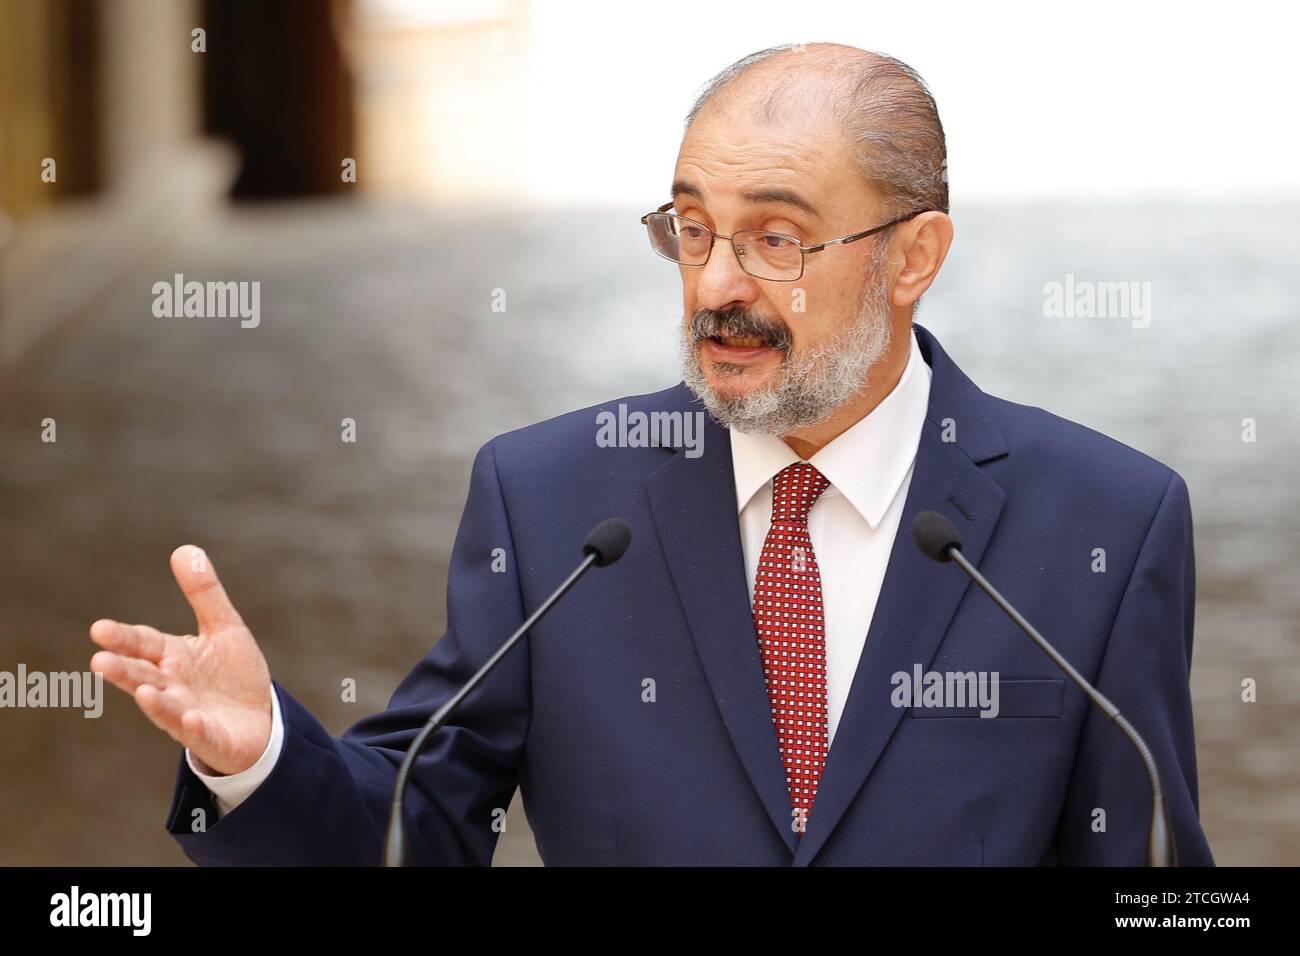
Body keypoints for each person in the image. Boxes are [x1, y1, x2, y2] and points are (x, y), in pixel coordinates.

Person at [88, 43, 1214, 865]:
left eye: (775, 237)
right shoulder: (552, 505)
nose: (717, 283)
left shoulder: (1104, 525)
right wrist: (256, 759)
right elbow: (413, 827)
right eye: (690, 228)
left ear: (913, 255)